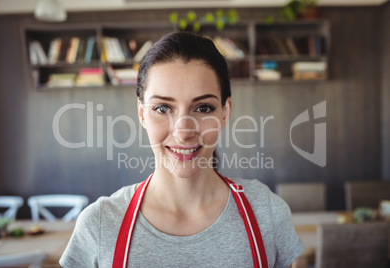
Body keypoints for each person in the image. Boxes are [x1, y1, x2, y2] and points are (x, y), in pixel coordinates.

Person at [60, 32, 304, 268]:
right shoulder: (99, 224)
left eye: (204, 108)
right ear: (142, 113)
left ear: (225, 112)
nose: (184, 131)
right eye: (163, 108)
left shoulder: (268, 214)